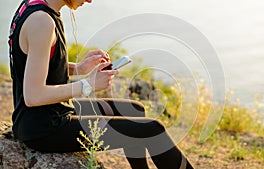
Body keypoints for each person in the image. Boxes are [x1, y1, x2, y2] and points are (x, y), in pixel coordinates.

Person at [8, 0, 194, 168]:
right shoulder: (42, 22)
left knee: (135, 111)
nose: (90, 0)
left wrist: (78, 68)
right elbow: (34, 96)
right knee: (153, 129)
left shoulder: (34, 7)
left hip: (48, 114)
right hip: (44, 129)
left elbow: (32, 63)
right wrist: (87, 85)